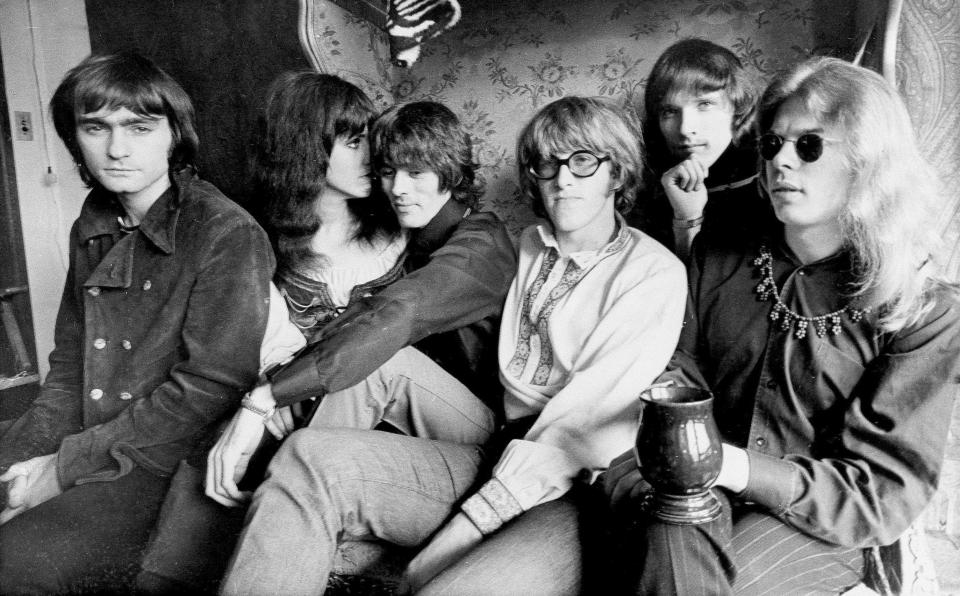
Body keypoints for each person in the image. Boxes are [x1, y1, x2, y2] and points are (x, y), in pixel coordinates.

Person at [218, 95, 686, 596]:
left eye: (583, 162)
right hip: (496, 441)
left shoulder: (652, 273)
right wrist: (279, 386)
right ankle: (313, 519)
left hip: (574, 488)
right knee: (308, 454)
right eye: (546, 165)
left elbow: (571, 439)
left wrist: (452, 540)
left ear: (618, 174)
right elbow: (388, 316)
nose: (562, 180)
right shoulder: (529, 244)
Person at [607, 57, 960, 595]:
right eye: (772, 145)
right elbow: (678, 358)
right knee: (678, 516)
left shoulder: (926, 309)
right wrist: (685, 447)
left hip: (815, 518)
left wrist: (730, 466)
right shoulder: (720, 238)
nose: (780, 163)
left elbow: (879, 493)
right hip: (688, 488)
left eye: (809, 146)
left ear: (868, 162)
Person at [0, 52, 274, 593]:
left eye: (139, 128)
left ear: (175, 135)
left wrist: (58, 469)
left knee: (15, 564)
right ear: (74, 137)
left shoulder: (225, 232)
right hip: (92, 431)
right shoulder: (96, 219)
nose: (117, 149)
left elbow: (205, 393)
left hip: (166, 457)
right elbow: (70, 362)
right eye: (95, 128)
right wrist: (19, 457)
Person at [134, 72, 407, 593]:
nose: (372, 154)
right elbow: (241, 343)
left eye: (371, 136)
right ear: (305, 148)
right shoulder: (255, 238)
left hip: (372, 413)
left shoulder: (403, 223)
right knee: (214, 458)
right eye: (352, 141)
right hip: (274, 404)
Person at [206, 100, 516, 509]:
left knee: (374, 363)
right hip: (413, 410)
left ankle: (289, 502)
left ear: (451, 172)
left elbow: (395, 315)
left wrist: (266, 398)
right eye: (388, 172)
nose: (398, 189)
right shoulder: (416, 236)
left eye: (416, 173)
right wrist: (278, 397)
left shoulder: (479, 248)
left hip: (479, 430)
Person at [629, 38, 770, 261]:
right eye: (669, 111)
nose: (685, 129)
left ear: (739, 106)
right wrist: (684, 219)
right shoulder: (646, 196)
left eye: (704, 105)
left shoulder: (771, 185)